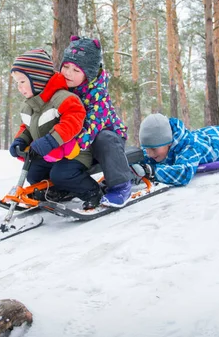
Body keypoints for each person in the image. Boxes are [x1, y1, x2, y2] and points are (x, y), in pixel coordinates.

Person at [9, 48, 103, 209]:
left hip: (75, 153)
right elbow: (27, 127)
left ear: (36, 79)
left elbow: (72, 121)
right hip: (49, 154)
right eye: (17, 82)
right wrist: (20, 140)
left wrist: (51, 140)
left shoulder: (64, 98)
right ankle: (59, 191)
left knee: (62, 174)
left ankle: (93, 192)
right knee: (34, 173)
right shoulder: (29, 105)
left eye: (22, 82)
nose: (19, 87)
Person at [60, 36, 132, 207]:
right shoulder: (63, 89)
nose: (68, 73)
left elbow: (94, 125)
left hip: (107, 138)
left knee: (103, 138)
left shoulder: (98, 93)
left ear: (88, 73)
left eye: (76, 70)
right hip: (82, 141)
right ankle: (67, 186)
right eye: (66, 67)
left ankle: (121, 186)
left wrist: (77, 144)